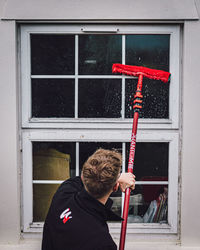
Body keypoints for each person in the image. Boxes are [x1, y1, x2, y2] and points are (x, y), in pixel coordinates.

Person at [42, 148, 135, 250]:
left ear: (84, 176)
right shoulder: (103, 243)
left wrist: (118, 177)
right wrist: (117, 178)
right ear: (115, 187)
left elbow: (79, 180)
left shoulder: (64, 194)